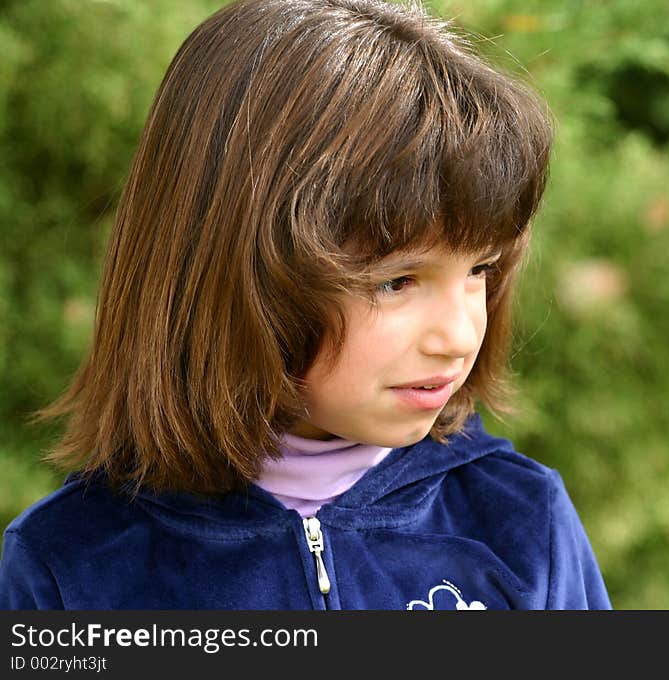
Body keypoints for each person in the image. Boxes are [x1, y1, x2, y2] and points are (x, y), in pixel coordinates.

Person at [0, 0, 610, 610]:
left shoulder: (522, 524)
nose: (456, 336)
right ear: (237, 276)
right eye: (396, 281)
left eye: (479, 269)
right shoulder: (71, 566)